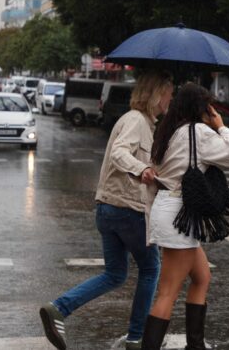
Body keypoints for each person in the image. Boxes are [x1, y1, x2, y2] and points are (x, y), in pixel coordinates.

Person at [39, 71, 174, 350]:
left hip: (108, 210)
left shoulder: (139, 122)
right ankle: (136, 338)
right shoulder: (137, 121)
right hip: (127, 210)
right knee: (150, 268)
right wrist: (143, 169)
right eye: (168, 93)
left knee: (115, 273)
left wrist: (153, 174)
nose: (170, 99)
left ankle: (58, 309)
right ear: (157, 95)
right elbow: (120, 153)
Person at [141, 83, 229, 350]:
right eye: (208, 105)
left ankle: (195, 345)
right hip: (180, 215)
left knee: (201, 277)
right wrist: (220, 125)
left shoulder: (171, 132)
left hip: (175, 212)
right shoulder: (198, 133)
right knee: (167, 292)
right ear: (201, 108)